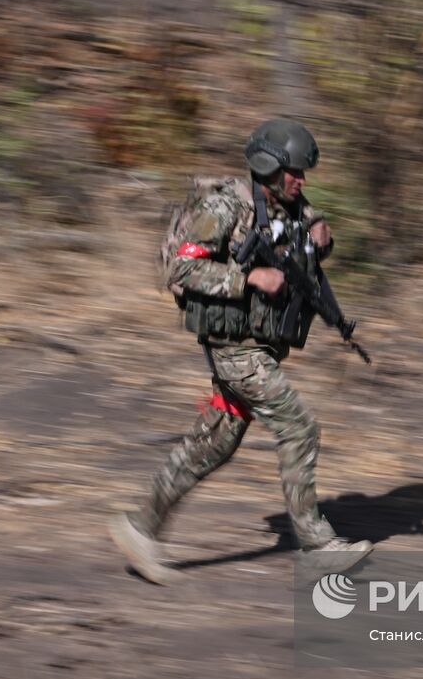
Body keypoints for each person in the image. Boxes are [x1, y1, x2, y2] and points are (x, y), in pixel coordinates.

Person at [110, 119, 373, 584]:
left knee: (215, 443)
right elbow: (180, 270)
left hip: (256, 344)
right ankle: (317, 545)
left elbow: (300, 255)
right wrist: (244, 279)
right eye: (295, 171)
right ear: (269, 167)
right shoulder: (223, 208)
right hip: (234, 347)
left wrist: (321, 241)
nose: (302, 180)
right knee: (299, 428)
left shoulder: (289, 207)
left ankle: (140, 527)